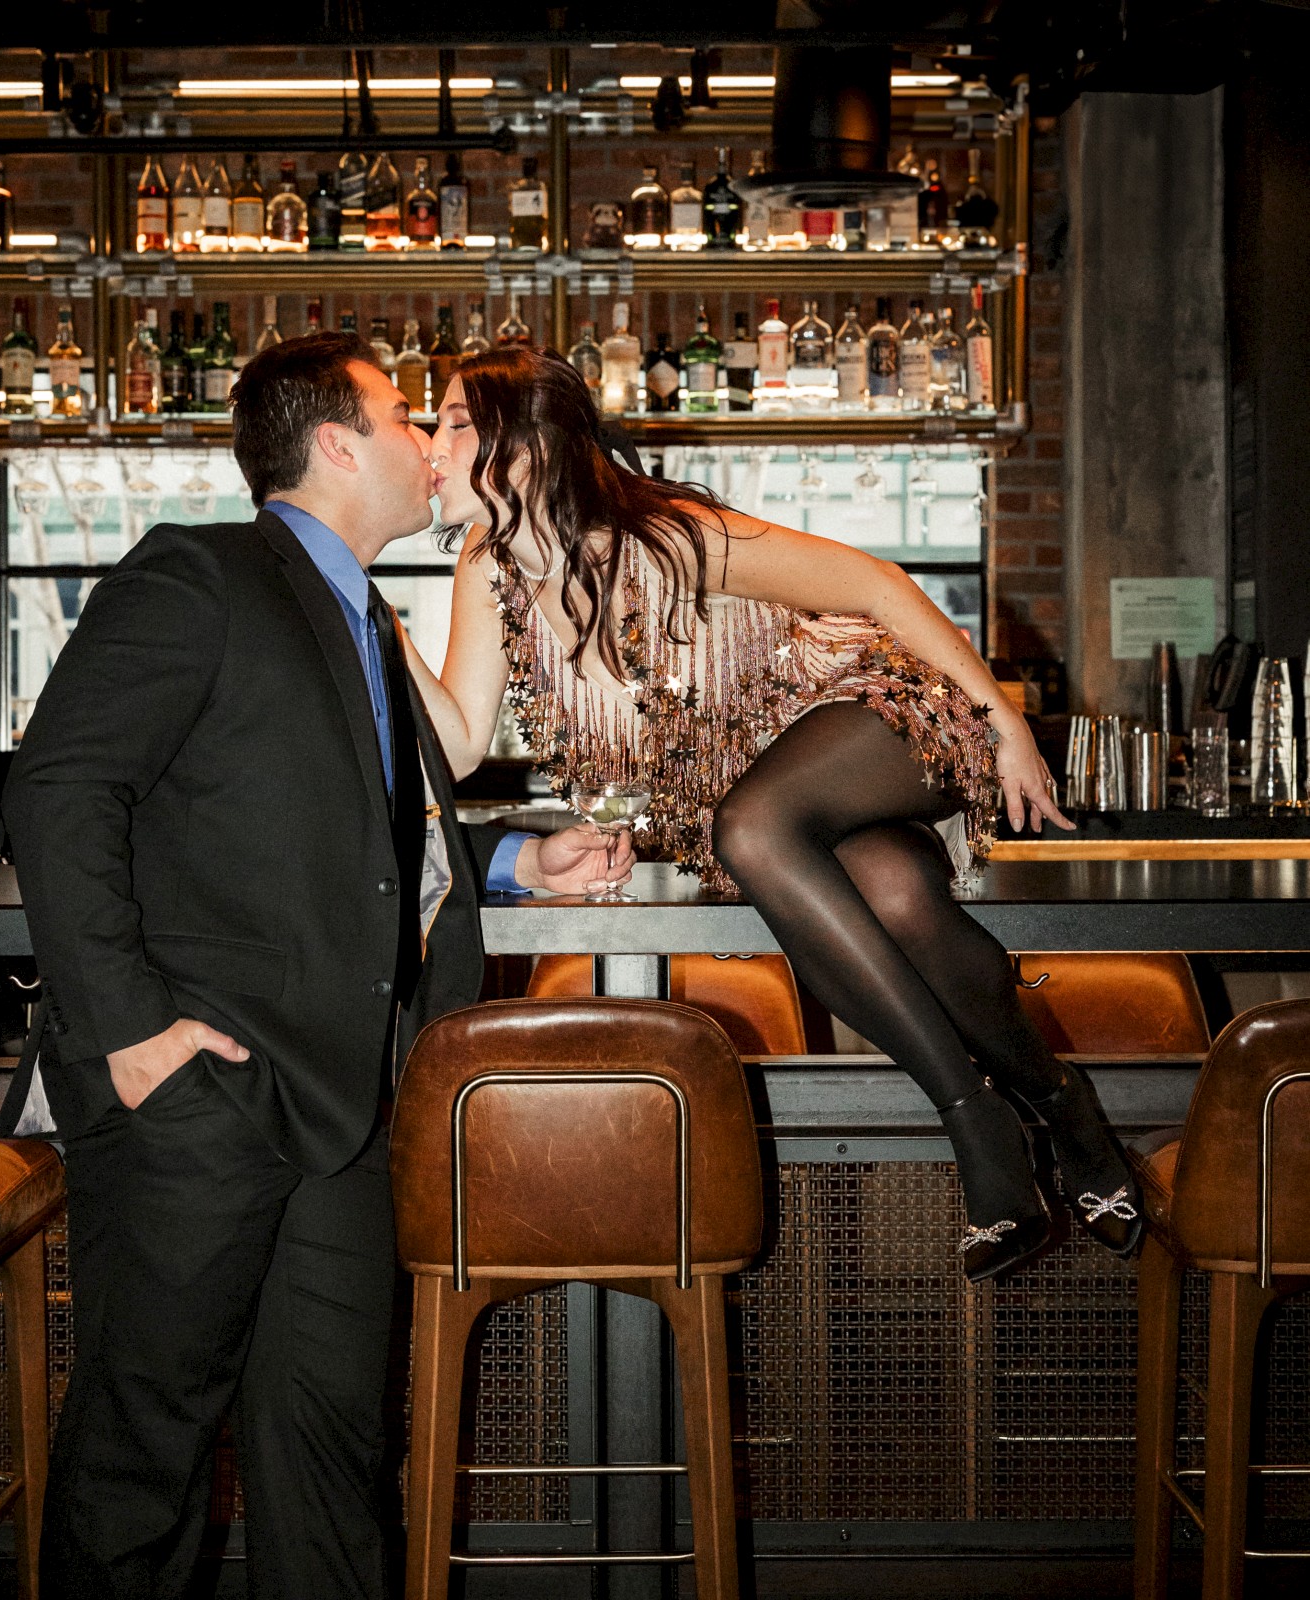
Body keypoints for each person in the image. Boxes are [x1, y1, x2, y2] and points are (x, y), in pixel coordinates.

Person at [0, 333, 631, 1600]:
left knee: (332, 1461)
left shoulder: (362, 620)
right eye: (405, 416)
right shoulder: (203, 574)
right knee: (145, 1459)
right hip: (197, 1096)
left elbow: (362, 822)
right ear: (338, 444)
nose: (425, 443)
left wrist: (514, 867)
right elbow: (59, 788)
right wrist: (132, 1036)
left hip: (343, 1109)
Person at [404, 346, 1143, 1286]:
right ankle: (1061, 1104)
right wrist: (370, 620)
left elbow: (878, 585)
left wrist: (1006, 728)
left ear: (531, 442)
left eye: (457, 422)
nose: (432, 442)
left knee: (751, 827)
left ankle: (976, 1122)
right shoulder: (488, 566)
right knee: (895, 900)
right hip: (774, 805)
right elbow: (461, 741)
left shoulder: (669, 532)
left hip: (871, 714)